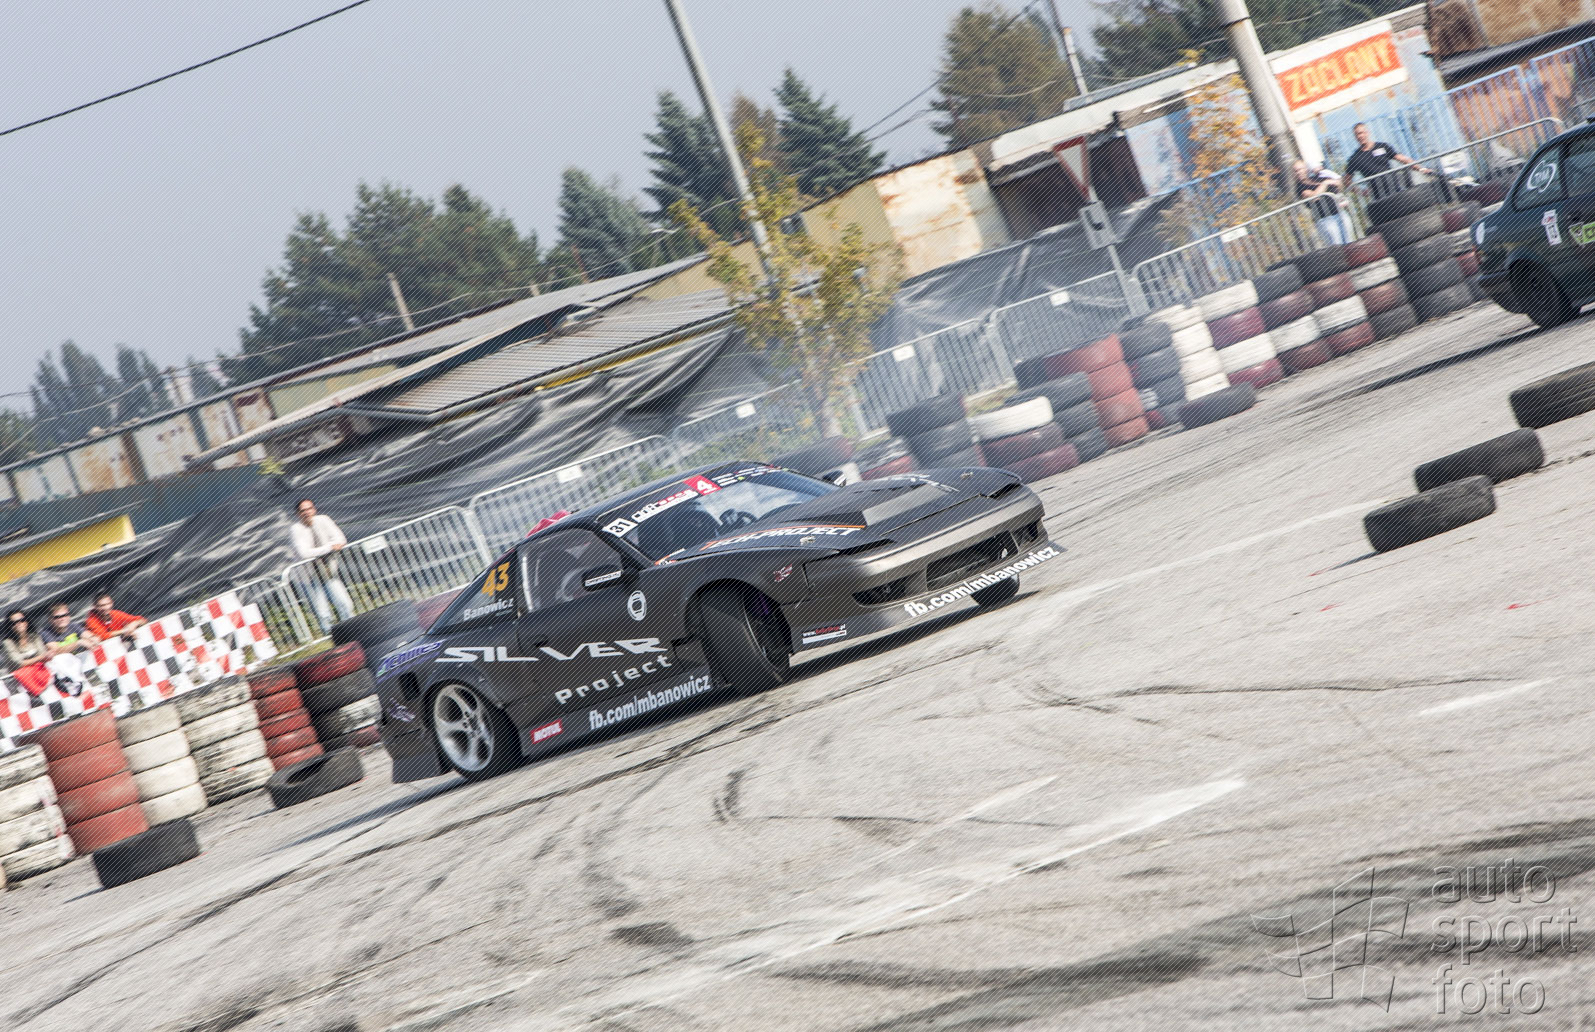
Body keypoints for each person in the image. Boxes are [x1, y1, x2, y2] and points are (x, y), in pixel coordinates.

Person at [290, 498, 355, 633]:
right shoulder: (296, 529)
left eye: (309, 509)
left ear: (314, 509)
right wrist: (330, 547)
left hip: (328, 572)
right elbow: (304, 553)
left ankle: (351, 630)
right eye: (303, 510)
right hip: (308, 577)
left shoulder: (324, 520)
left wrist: (329, 547)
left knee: (345, 603)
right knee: (323, 612)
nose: (307, 512)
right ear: (298, 514)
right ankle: (330, 635)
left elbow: (341, 539)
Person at [1343, 123, 1435, 200]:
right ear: (1355, 137)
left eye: (1362, 133)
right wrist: (1361, 192)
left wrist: (1422, 169)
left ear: (1367, 133)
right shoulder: (1355, 158)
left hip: (1396, 189)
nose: (1360, 136)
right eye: (1357, 134)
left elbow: (1403, 159)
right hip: (1379, 197)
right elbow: (1346, 180)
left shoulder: (1382, 146)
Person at [1292, 159, 1354, 246]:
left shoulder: (1318, 177)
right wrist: (1325, 184)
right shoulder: (1299, 187)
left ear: (1306, 169)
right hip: (1325, 219)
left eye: (1300, 169)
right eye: (1296, 171)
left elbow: (1338, 184)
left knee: (1350, 243)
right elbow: (1314, 196)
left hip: (1340, 213)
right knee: (1337, 246)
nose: (1299, 172)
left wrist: (1334, 185)